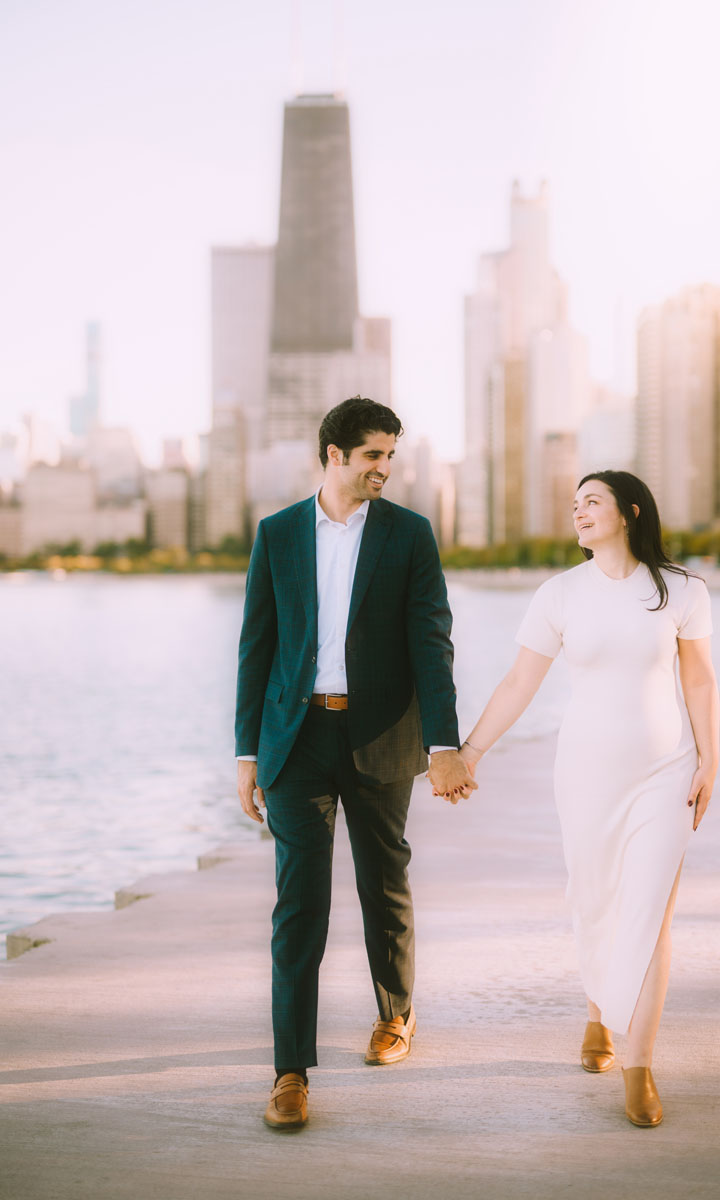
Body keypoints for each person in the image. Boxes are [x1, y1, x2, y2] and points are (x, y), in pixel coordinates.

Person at [235, 396, 475, 1130]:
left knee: (384, 884)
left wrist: (443, 747)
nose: (385, 468)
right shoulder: (277, 535)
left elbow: (432, 644)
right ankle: (289, 1072)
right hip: (297, 740)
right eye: (373, 455)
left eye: (391, 456)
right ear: (334, 454)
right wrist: (246, 754)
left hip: (381, 738)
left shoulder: (409, 534)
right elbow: (256, 647)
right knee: (299, 905)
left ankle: (395, 1014)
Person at [452, 470, 719, 1128]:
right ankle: (598, 1014)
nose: (580, 511)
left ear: (629, 512)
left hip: (665, 770)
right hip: (586, 775)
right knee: (597, 900)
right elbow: (519, 682)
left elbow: (700, 679)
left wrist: (712, 757)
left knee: (650, 912)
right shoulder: (559, 594)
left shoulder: (681, 591)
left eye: (592, 501)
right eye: (574, 505)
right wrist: (469, 751)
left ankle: (639, 1066)